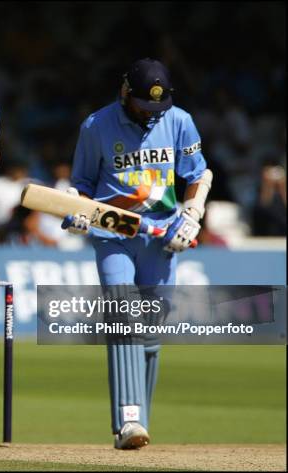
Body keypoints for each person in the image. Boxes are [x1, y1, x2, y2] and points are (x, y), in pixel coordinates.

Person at [63, 58, 211, 449]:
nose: (149, 115)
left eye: (155, 109)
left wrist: (192, 217)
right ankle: (129, 420)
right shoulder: (96, 126)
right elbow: (81, 185)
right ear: (125, 92)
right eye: (143, 106)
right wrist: (80, 211)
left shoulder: (179, 120)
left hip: (160, 237)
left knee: (150, 332)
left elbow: (198, 176)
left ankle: (138, 420)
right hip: (114, 233)